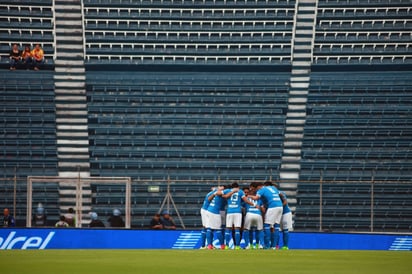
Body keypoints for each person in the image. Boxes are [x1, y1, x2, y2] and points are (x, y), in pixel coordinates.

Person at [249, 181, 283, 249]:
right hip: (280, 206)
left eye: (254, 189)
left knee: (267, 225)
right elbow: (281, 195)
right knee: (276, 226)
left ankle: (267, 246)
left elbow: (256, 198)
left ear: (257, 187)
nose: (254, 191)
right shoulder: (273, 187)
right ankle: (274, 246)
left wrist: (248, 196)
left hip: (273, 207)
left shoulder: (261, 190)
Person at [223, 182, 256, 249]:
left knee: (228, 229)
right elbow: (246, 200)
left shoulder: (227, 191)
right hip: (237, 212)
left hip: (229, 211)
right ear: (238, 187)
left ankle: (226, 245)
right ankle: (237, 246)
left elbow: (222, 195)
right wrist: (254, 205)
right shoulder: (240, 191)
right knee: (237, 229)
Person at [275, 183, 293, 250]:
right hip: (277, 214)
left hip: (285, 213)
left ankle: (285, 246)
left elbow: (285, 202)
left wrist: (279, 206)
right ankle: (276, 246)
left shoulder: (281, 193)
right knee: (276, 229)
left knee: (285, 229)